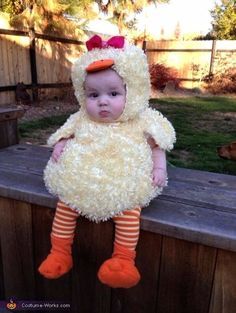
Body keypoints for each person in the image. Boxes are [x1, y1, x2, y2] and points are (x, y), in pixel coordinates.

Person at [38, 35, 176, 288]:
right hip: (80, 184)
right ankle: (59, 252)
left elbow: (159, 146)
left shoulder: (141, 120)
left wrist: (159, 168)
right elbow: (64, 132)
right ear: (82, 95)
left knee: (129, 214)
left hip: (122, 187)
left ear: (132, 92)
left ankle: (123, 259)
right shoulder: (82, 118)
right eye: (93, 95)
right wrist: (60, 143)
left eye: (113, 93)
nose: (102, 101)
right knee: (65, 207)